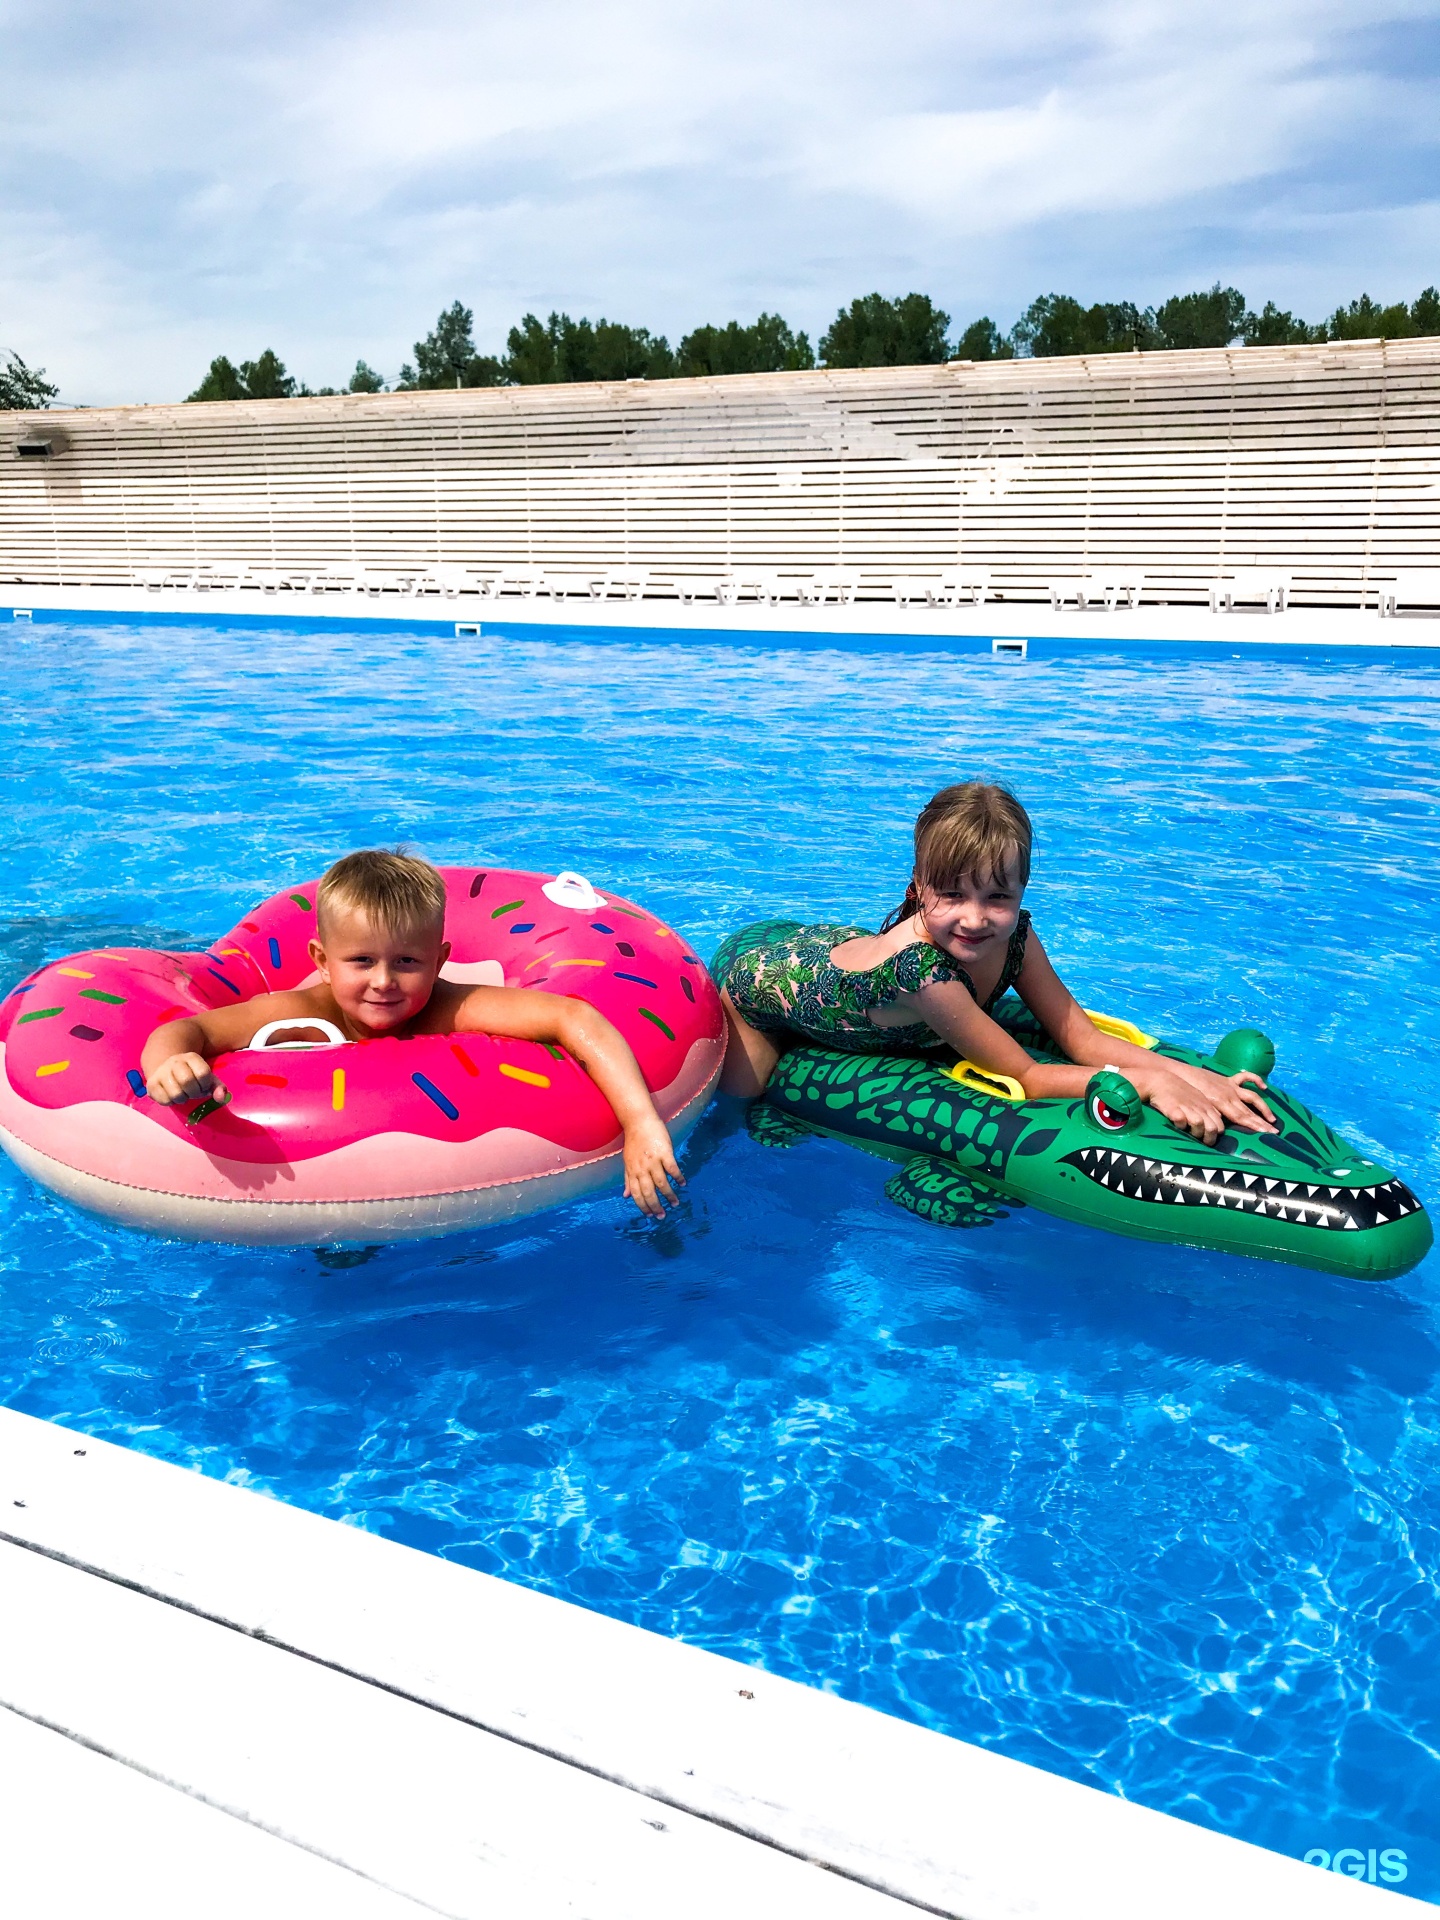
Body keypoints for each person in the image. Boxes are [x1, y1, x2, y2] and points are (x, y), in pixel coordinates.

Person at [713, 781, 1276, 1145]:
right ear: (918, 890)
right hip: (763, 979)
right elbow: (1027, 1078)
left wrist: (1198, 1076)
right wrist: (1150, 1084)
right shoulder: (924, 975)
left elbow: (1078, 1037)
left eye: (997, 898)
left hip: (836, 951)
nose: (976, 919)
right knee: (738, 1117)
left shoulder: (1018, 937)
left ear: (1022, 893)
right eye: (952, 896)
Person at [141, 849, 683, 1217]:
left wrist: (641, 1124)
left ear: (440, 960)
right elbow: (188, 1029)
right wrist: (168, 1066)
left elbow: (575, 1017)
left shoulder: (450, 1007)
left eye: (406, 961)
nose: (383, 981)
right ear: (321, 961)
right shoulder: (303, 1009)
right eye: (360, 961)